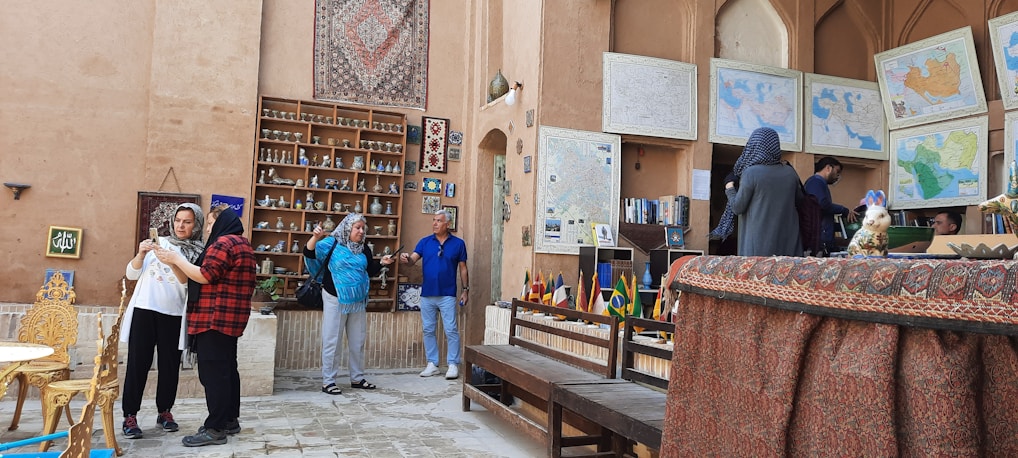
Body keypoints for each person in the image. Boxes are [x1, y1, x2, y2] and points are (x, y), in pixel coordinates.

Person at [155, 204, 256, 447]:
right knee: (227, 370)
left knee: (214, 375)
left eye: (210, 223)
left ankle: (215, 428)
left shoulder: (223, 243)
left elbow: (204, 275)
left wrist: (176, 259)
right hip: (229, 319)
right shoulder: (243, 244)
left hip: (214, 318)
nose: (208, 228)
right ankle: (229, 419)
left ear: (221, 223)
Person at [120, 203, 204, 439]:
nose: (181, 226)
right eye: (178, 220)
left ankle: (164, 411)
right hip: (145, 309)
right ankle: (130, 415)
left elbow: (188, 283)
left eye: (187, 222)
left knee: (169, 366)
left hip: (173, 314)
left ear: (196, 225)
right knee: (138, 364)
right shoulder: (159, 243)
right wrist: (141, 254)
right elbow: (131, 275)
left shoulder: (199, 252)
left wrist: (173, 261)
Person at [304, 213, 394, 395]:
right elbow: (309, 253)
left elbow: (368, 270)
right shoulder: (332, 243)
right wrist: (314, 237)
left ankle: (357, 378)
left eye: (363, 228)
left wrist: (382, 263)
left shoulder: (364, 248)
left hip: (358, 301)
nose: (361, 231)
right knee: (332, 340)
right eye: (357, 228)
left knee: (357, 341)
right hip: (335, 298)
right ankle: (328, 381)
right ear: (347, 228)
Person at [399, 210, 469, 379]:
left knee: (451, 329)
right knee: (428, 329)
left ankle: (453, 364)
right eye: (434, 220)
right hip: (427, 294)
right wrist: (406, 258)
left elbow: (463, 268)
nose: (434, 223)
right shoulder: (425, 242)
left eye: (439, 221)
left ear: (447, 224)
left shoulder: (458, 244)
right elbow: (412, 260)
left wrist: (465, 290)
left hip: (447, 294)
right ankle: (432, 363)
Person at [715, 127, 803, 256]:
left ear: (753, 146)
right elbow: (800, 201)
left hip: (758, 250)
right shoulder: (790, 173)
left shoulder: (751, 173)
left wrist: (729, 187)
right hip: (789, 248)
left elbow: (737, 207)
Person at [804, 156, 858, 254]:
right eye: (837, 171)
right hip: (819, 241)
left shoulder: (818, 183)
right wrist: (844, 210)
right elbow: (823, 204)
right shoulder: (816, 182)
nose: (837, 176)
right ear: (828, 168)